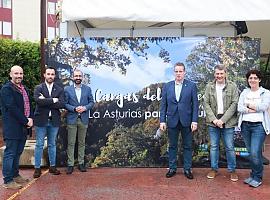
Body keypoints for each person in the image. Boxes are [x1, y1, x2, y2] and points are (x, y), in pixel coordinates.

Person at [160, 62, 198, 179]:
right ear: (174, 72)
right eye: (176, 71)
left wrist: (194, 121)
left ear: (184, 72)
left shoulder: (191, 86)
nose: (178, 73)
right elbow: (163, 105)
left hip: (187, 121)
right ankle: (172, 168)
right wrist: (162, 121)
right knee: (172, 146)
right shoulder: (167, 86)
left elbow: (195, 105)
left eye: (180, 71)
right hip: (172, 120)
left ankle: (187, 169)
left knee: (187, 146)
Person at [204, 64, 239, 181]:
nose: (219, 76)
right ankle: (213, 169)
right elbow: (206, 104)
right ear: (214, 74)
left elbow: (234, 104)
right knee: (214, 146)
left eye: (221, 73)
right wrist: (214, 119)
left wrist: (222, 120)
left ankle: (232, 170)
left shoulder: (233, 86)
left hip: (228, 122)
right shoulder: (209, 87)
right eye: (217, 73)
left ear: (225, 74)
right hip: (213, 122)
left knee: (229, 147)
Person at [1, 65, 33, 189]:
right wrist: (26, 120)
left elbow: (28, 106)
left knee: (18, 152)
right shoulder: (6, 89)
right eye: (16, 73)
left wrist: (30, 118)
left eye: (21, 73)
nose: (19, 76)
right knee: (10, 153)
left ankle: (15, 175)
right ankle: (8, 181)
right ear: (10, 74)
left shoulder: (24, 89)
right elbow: (12, 108)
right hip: (12, 127)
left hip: (23, 127)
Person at [237, 69, 270, 188]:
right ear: (248, 80)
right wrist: (250, 109)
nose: (252, 80)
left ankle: (258, 177)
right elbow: (239, 108)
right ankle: (252, 175)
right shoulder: (244, 92)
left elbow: (264, 106)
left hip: (259, 127)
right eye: (250, 78)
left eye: (255, 78)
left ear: (259, 79)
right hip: (246, 125)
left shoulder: (265, 93)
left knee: (256, 153)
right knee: (251, 153)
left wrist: (249, 105)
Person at [33, 66, 65, 178]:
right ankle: (37, 168)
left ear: (54, 76)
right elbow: (38, 101)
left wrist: (45, 100)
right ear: (44, 75)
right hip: (41, 121)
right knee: (39, 145)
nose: (50, 76)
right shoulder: (38, 88)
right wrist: (53, 100)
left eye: (52, 74)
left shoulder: (59, 89)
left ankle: (52, 167)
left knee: (52, 144)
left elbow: (61, 104)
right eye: (48, 74)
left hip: (54, 121)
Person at [64, 69, 94, 174]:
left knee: (82, 143)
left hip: (84, 119)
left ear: (82, 77)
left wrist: (85, 108)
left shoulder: (87, 89)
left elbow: (91, 102)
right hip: (72, 118)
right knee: (71, 143)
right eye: (76, 76)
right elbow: (65, 104)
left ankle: (81, 163)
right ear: (73, 77)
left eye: (79, 76)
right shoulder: (67, 89)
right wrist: (74, 108)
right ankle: (70, 164)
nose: (78, 78)